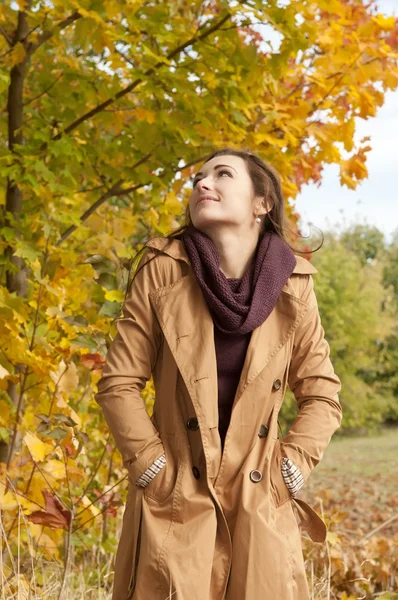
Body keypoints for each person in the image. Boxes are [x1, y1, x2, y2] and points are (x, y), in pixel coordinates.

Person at [94, 147, 342, 600]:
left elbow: (322, 393)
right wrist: (151, 464)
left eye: (222, 174)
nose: (202, 183)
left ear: (261, 203)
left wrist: (293, 462)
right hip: (175, 489)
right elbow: (118, 384)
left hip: (258, 490)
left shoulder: (295, 286)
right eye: (197, 179)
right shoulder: (162, 270)